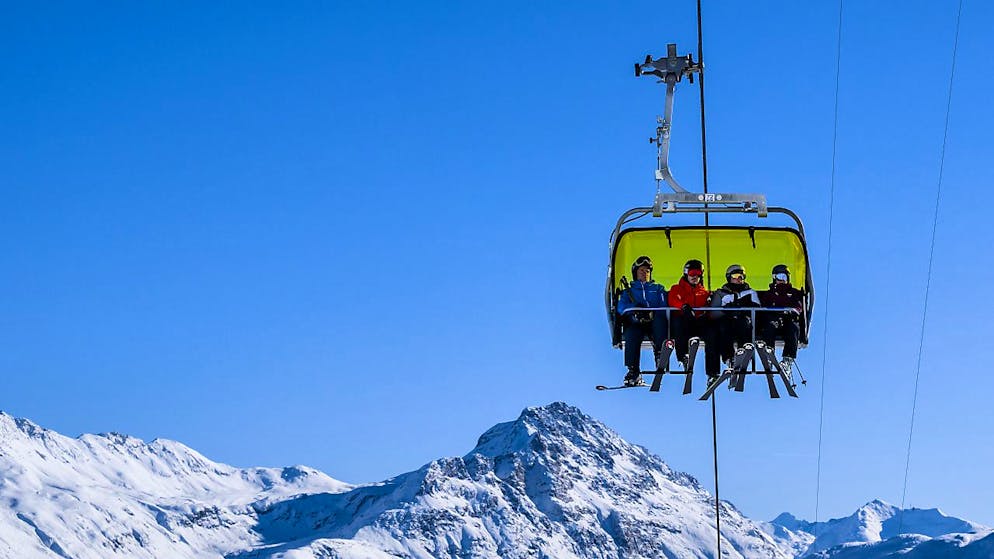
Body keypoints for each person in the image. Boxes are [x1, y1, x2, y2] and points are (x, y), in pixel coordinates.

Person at [616, 255, 668, 386]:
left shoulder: (657, 289)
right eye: (641, 271)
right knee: (632, 333)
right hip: (637, 322)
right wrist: (634, 309)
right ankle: (633, 370)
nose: (645, 274)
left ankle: (660, 354)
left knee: (660, 322)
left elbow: (664, 305)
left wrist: (652, 311)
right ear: (635, 273)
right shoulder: (629, 292)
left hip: (654, 321)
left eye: (647, 271)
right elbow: (621, 308)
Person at [708, 264, 761, 375]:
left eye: (741, 276)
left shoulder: (750, 292)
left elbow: (758, 312)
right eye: (735, 276)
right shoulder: (721, 293)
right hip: (727, 321)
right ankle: (729, 357)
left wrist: (746, 308)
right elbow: (713, 313)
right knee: (723, 326)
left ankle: (744, 352)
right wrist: (726, 310)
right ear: (729, 277)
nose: (738, 279)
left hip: (743, 321)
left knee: (744, 323)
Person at [759, 264, 804, 375]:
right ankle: (769, 355)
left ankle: (788, 359)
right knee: (769, 327)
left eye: (784, 277)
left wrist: (793, 310)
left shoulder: (793, 293)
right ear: (774, 278)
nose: (782, 280)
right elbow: (763, 306)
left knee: (793, 328)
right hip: (774, 318)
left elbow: (799, 306)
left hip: (788, 319)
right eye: (779, 277)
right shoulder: (770, 294)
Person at [667, 259, 711, 372]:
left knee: (713, 330)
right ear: (686, 274)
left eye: (698, 274)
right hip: (683, 323)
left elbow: (708, 306)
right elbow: (673, 300)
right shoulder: (677, 289)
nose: (695, 276)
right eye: (692, 273)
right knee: (679, 322)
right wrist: (684, 307)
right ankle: (683, 356)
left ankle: (713, 370)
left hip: (698, 324)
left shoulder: (704, 293)